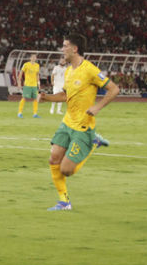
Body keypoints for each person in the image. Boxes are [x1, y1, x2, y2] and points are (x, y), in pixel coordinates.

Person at [38, 34, 120, 211]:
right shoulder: (69, 71)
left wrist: (98, 107)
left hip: (83, 127)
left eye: (65, 46)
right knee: (53, 159)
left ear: (75, 49)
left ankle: (93, 142)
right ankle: (64, 202)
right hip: (67, 123)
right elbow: (65, 95)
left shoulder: (89, 69)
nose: (62, 49)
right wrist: (47, 98)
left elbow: (114, 89)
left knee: (66, 170)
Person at [17, 53, 41, 118]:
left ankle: (35, 114)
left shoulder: (37, 65)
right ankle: (19, 113)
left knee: (35, 99)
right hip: (27, 84)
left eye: (35, 57)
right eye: (32, 57)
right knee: (24, 98)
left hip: (34, 85)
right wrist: (19, 83)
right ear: (30, 58)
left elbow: (37, 74)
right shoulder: (26, 65)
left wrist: (38, 83)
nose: (34, 58)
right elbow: (21, 73)